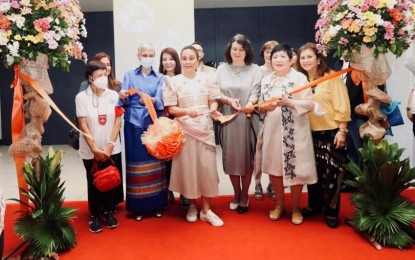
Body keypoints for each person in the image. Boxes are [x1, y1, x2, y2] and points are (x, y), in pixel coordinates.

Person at [162, 45, 224, 226]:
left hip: (205, 130)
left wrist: (213, 110)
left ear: (198, 60)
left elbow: (213, 101)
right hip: (185, 129)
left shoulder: (209, 78)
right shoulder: (173, 81)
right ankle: (191, 205)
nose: (188, 61)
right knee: (188, 168)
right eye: (185, 58)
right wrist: (187, 111)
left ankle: (206, 210)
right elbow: (171, 108)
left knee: (207, 168)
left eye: (191, 58)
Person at [256, 44, 317, 225]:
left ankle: (296, 207)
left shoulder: (299, 78)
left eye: (283, 56)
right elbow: (261, 104)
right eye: (275, 57)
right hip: (273, 129)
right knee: (275, 168)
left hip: (295, 130)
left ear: (291, 59)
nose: (279, 60)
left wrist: (290, 102)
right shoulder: (266, 80)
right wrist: (264, 107)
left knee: (296, 168)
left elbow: (309, 103)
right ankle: (280, 205)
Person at [297, 43, 351, 228]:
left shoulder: (332, 77)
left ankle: (331, 212)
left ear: (318, 59)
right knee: (313, 173)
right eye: (302, 57)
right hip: (308, 133)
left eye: (309, 57)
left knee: (331, 176)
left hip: (331, 132)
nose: (305, 61)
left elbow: (342, 105)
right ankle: (315, 205)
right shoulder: (300, 80)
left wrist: (342, 131)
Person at [118, 43, 167, 221]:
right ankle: (137, 207)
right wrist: (123, 95)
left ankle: (158, 205)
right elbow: (122, 100)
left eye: (151, 54)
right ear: (138, 56)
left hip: (152, 121)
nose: (148, 57)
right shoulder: (130, 74)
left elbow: (161, 101)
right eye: (144, 54)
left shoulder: (160, 77)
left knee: (156, 161)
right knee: (136, 162)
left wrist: (150, 99)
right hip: (133, 122)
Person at [216, 34, 262, 214]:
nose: (237, 52)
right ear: (229, 50)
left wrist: (251, 104)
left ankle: (245, 195)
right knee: (232, 159)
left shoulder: (255, 69)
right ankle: (236, 193)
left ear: (246, 51)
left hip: (248, 118)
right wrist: (227, 100)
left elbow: (256, 90)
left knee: (247, 159)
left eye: (241, 49)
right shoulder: (221, 70)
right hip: (228, 118)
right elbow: (216, 92)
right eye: (234, 49)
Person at [75, 61, 123, 233]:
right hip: (90, 149)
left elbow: (118, 121)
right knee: (94, 180)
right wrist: (94, 148)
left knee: (110, 179)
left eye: (105, 75)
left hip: (111, 147)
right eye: (99, 76)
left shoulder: (113, 95)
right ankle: (95, 214)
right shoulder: (81, 98)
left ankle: (109, 212)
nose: (103, 78)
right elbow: (83, 124)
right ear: (90, 78)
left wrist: (110, 145)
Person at [254, 40, 278, 201]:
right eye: (267, 50)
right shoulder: (257, 71)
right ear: (263, 53)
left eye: (273, 51)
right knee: (259, 152)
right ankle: (257, 183)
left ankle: (272, 183)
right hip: (261, 116)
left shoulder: (282, 71)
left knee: (274, 152)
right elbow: (254, 94)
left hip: (278, 118)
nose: (269, 53)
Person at [158, 47, 182, 207]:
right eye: (164, 59)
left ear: (176, 61)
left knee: (182, 159)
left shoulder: (183, 78)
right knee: (166, 159)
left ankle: (186, 193)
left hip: (181, 121)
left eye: (171, 59)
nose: (168, 62)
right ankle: (168, 191)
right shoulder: (157, 79)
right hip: (164, 123)